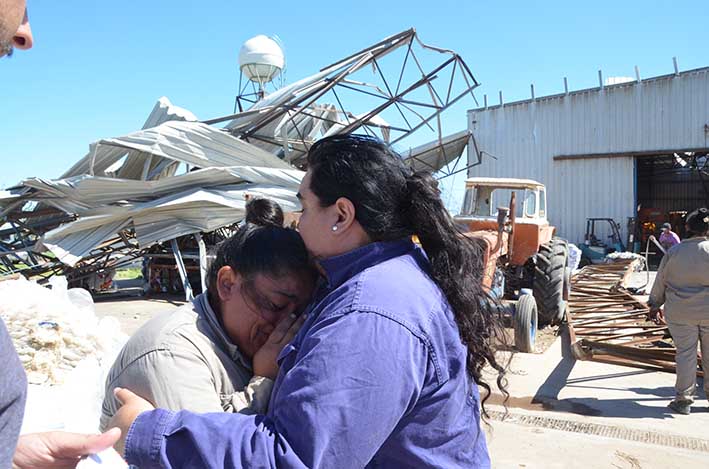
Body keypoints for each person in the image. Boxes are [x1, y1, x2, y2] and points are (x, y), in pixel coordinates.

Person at [111, 134, 506, 468]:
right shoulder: (390, 281)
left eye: (303, 205)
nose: (297, 223)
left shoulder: (371, 311)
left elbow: (295, 457)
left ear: (341, 215)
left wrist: (148, 432)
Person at [100, 224, 315, 430]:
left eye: (299, 314)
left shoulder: (247, 341)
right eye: (274, 306)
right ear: (227, 284)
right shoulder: (172, 352)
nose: (287, 326)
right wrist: (264, 382)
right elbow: (208, 451)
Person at [649, 208, 709, 415]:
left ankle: (683, 400)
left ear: (687, 227)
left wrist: (654, 305)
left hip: (681, 313)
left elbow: (661, 282)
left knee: (686, 354)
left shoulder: (674, 252)